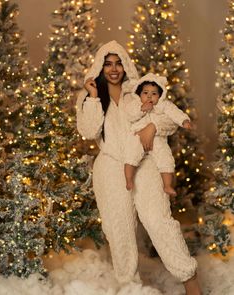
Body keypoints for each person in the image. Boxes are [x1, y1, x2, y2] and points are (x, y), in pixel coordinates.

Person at [76, 40, 201, 295]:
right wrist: (93, 97)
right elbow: (88, 132)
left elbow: (168, 116)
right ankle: (130, 288)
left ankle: (190, 282)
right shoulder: (90, 96)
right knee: (118, 229)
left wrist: (152, 127)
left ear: (126, 65)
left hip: (145, 162)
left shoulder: (140, 89)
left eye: (118, 63)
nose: (113, 69)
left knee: (158, 220)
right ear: (100, 66)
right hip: (110, 167)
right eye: (107, 63)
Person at [123, 73, 192, 194]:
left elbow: (175, 112)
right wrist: (141, 109)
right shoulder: (136, 104)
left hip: (158, 138)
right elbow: (129, 115)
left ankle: (167, 185)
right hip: (138, 136)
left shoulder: (164, 105)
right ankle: (129, 180)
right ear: (139, 94)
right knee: (131, 156)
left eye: (153, 94)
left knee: (165, 158)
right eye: (145, 93)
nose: (149, 96)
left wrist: (184, 121)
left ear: (160, 95)